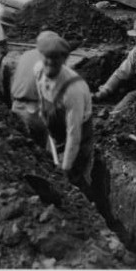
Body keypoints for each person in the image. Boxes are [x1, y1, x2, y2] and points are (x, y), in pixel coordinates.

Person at [33, 31, 94, 193]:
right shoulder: (39, 70)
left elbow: (74, 136)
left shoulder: (73, 90)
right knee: (49, 166)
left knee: (74, 178)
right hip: (56, 132)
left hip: (78, 138)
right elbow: (42, 96)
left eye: (55, 62)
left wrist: (64, 169)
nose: (49, 65)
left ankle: (85, 205)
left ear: (64, 60)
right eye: (46, 59)